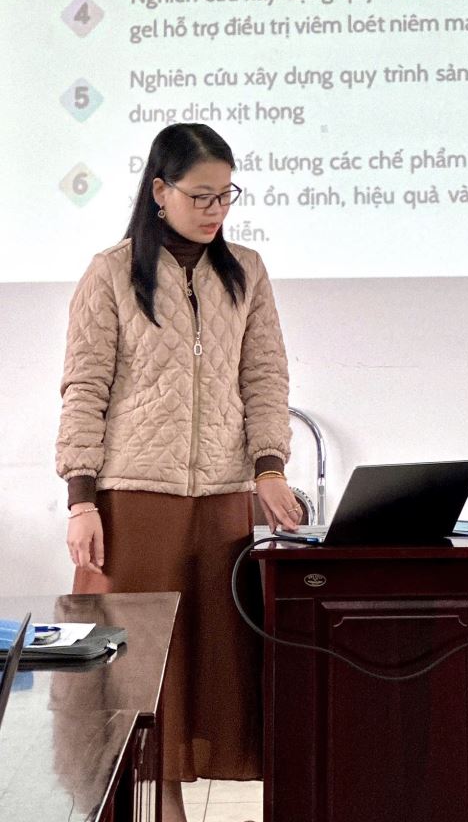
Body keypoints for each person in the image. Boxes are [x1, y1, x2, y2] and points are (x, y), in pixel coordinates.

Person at [55, 123, 302, 822]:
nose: (215, 209)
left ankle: (175, 805)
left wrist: (270, 468)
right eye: (200, 195)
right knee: (135, 670)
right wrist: (81, 499)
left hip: (222, 499)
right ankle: (155, 807)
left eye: (226, 195)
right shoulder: (110, 273)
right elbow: (84, 388)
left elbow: (265, 377)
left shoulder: (246, 270)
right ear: (160, 191)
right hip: (133, 498)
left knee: (210, 666)